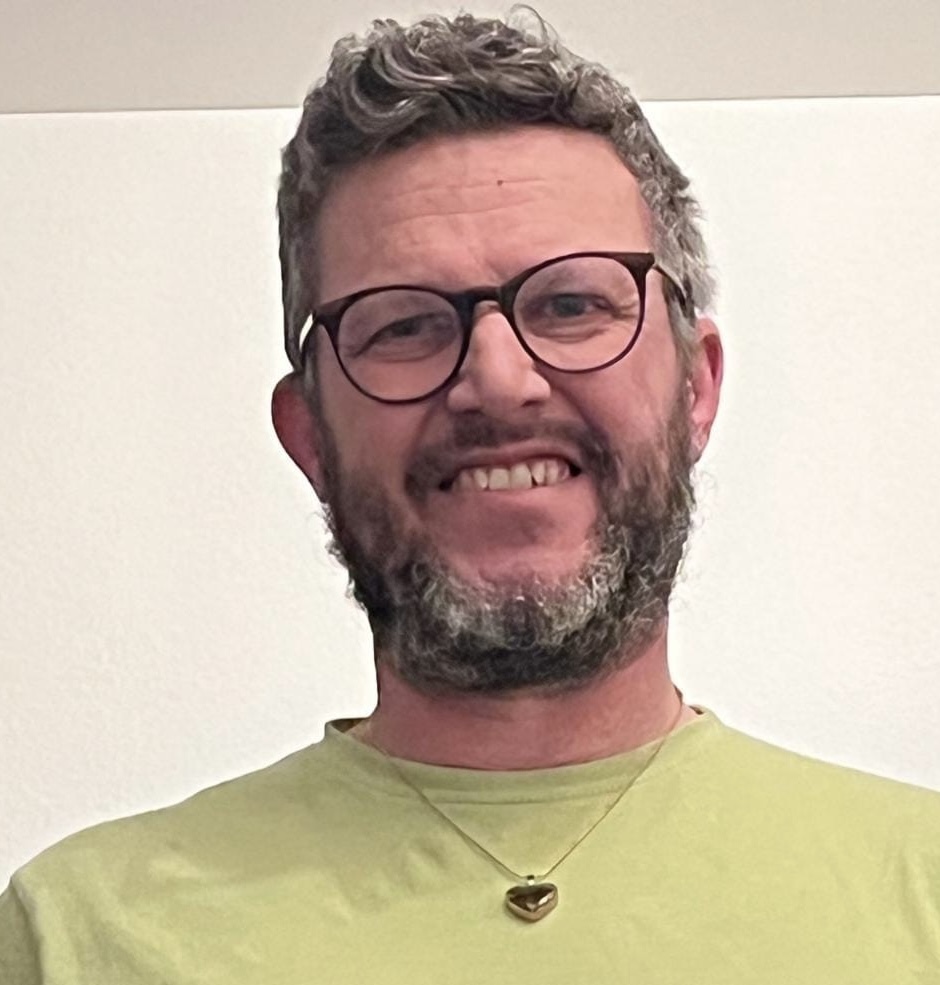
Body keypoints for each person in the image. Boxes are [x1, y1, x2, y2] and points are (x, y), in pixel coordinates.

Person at [2, 10, 939, 983]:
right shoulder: (80, 934)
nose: (498, 380)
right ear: (311, 434)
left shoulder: (922, 894)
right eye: (403, 324)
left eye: (571, 304)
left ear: (694, 388)